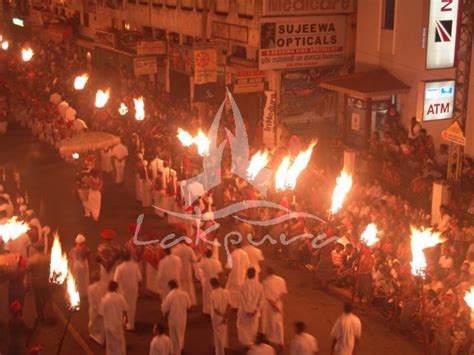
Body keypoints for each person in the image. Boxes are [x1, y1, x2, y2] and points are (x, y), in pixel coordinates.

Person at [114, 250, 142, 331]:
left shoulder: (120, 268)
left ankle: (127, 322)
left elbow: (115, 280)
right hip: (133, 289)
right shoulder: (135, 265)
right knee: (132, 306)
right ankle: (130, 323)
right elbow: (139, 279)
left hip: (123, 290)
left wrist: (115, 291)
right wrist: (139, 289)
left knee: (124, 306)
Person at [161, 279, 191, 355]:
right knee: (181, 333)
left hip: (173, 318)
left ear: (170, 286)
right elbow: (189, 305)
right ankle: (180, 347)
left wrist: (163, 310)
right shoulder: (184, 294)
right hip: (183, 318)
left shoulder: (170, 295)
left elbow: (166, 309)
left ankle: (176, 352)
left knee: (174, 336)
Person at [99, 281, 128, 355]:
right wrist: (126, 319)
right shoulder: (120, 297)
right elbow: (125, 310)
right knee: (120, 343)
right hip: (118, 324)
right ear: (116, 288)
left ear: (108, 288)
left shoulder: (105, 299)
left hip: (109, 326)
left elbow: (101, 314)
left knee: (111, 346)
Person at [238, 267, 265, 347]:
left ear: (247, 275)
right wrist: (256, 310)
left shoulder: (242, 286)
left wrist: (246, 310)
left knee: (244, 328)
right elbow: (262, 299)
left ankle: (245, 344)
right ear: (254, 275)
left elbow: (241, 299)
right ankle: (252, 345)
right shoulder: (259, 286)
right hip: (254, 313)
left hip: (244, 312)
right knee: (253, 329)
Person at [261, 267, 287, 348]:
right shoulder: (281, 280)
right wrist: (277, 302)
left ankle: (268, 339)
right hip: (278, 304)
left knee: (268, 322)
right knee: (278, 323)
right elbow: (283, 293)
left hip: (269, 306)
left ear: (268, 273)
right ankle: (281, 341)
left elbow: (267, 296)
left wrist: (273, 305)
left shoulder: (265, 282)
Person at [27, 246, 52, 322]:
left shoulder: (33, 258)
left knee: (38, 301)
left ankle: (40, 316)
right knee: (46, 299)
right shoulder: (48, 257)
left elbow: (27, 270)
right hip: (46, 282)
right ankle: (47, 315)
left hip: (36, 283)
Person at [210, 277, 231, 355]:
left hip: (217, 317)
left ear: (212, 285)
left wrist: (222, 316)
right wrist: (226, 317)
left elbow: (215, 309)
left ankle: (219, 352)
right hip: (225, 315)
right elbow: (229, 305)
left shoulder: (213, 294)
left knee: (217, 336)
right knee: (224, 333)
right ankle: (224, 348)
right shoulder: (226, 292)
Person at [198, 249, 223, 315]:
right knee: (215, 295)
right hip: (215, 280)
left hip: (207, 280)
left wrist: (201, 257)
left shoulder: (204, 262)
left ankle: (208, 311)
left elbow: (198, 266)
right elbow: (220, 272)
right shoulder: (216, 262)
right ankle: (216, 309)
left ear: (205, 255)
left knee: (207, 296)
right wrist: (220, 281)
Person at [172, 241, 197, 306]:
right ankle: (190, 303)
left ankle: (181, 303)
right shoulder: (189, 249)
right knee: (189, 287)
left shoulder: (175, 249)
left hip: (179, 271)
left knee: (180, 287)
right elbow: (194, 260)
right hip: (187, 271)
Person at [226, 243, 250, 308]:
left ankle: (234, 306)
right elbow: (247, 265)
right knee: (240, 291)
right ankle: (240, 305)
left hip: (233, 276)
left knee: (232, 292)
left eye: (231, 245)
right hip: (242, 275)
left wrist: (227, 274)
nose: (230, 246)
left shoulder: (232, 255)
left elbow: (229, 268)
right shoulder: (244, 253)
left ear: (235, 245)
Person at [88, 272, 107, 345]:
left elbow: (91, 300)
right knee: (102, 324)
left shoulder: (91, 288)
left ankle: (94, 336)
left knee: (93, 323)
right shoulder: (105, 285)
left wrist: (94, 307)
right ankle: (102, 339)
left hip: (94, 308)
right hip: (103, 308)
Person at [69, 234, 90, 299]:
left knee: (82, 281)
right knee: (79, 281)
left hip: (80, 267)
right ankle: (80, 294)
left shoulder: (75, 250)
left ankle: (82, 294)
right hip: (77, 267)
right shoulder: (76, 250)